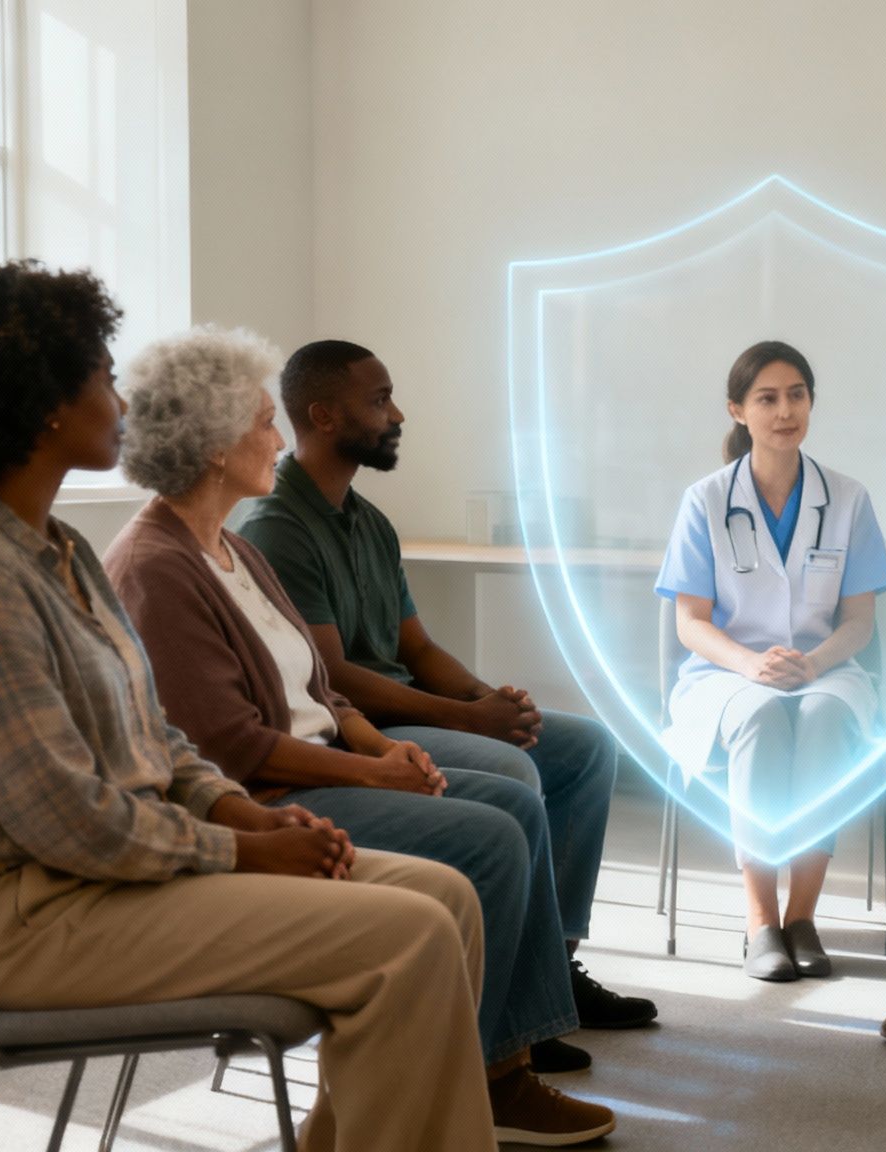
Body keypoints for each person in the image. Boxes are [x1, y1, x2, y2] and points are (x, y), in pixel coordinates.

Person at [0, 262, 494, 1150]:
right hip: (37, 914)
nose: (120, 398)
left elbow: (153, 736)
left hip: (111, 873)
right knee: (410, 939)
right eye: (100, 376)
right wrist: (243, 847)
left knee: (448, 899)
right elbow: (69, 820)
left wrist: (243, 816)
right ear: (44, 403)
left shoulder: (58, 547)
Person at [102, 326, 614, 1143]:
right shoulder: (159, 566)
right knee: (495, 831)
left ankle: (502, 1059)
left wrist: (377, 746)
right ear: (210, 446)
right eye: (264, 424)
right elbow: (229, 748)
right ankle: (497, 1074)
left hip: (330, 759)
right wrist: (374, 773)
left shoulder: (230, 547)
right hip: (270, 797)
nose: (279, 439)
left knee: (514, 807)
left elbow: (316, 681)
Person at [234, 339, 655, 1031]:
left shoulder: (369, 522)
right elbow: (335, 679)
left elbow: (417, 648)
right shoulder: (277, 526)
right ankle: (522, 1000)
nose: (396, 414)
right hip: (361, 733)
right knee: (512, 768)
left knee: (583, 747)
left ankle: (554, 965)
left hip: (410, 712)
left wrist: (491, 701)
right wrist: (470, 723)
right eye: (378, 400)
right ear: (325, 416)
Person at [654, 340, 886, 981]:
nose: (784, 410)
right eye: (767, 398)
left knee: (822, 719)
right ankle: (760, 920)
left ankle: (802, 917)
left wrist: (814, 666)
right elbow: (690, 623)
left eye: (797, 395)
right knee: (762, 717)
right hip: (724, 675)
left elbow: (859, 622)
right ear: (737, 409)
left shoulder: (847, 499)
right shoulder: (704, 500)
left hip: (828, 669)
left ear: (811, 403)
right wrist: (748, 665)